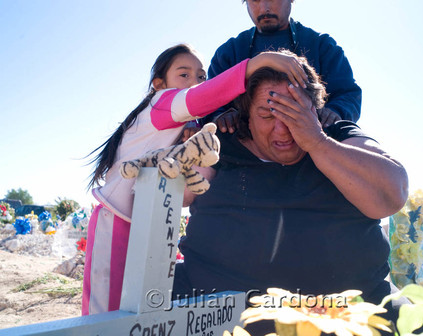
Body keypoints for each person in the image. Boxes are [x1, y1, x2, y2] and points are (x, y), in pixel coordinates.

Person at [175, 51, 408, 334]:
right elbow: (173, 195)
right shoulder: (219, 144)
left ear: (316, 111)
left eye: (295, 113)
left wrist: (317, 142)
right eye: (267, 114)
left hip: (351, 318)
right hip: (219, 321)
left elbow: (392, 194)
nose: (283, 130)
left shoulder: (339, 135)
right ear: (246, 116)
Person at [82, 44, 307, 315]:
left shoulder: (185, 126)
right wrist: (256, 64)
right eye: (184, 74)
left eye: (201, 76)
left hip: (150, 225)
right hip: (117, 220)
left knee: (136, 312)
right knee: (104, 312)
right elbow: (202, 98)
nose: (194, 82)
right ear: (158, 84)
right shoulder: (161, 103)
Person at [208, 0, 362, 133]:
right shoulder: (228, 53)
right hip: (244, 155)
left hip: (313, 151)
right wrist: (220, 117)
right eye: (255, 0)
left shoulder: (322, 46)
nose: (264, 8)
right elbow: (208, 100)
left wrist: (336, 111)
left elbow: (348, 94)